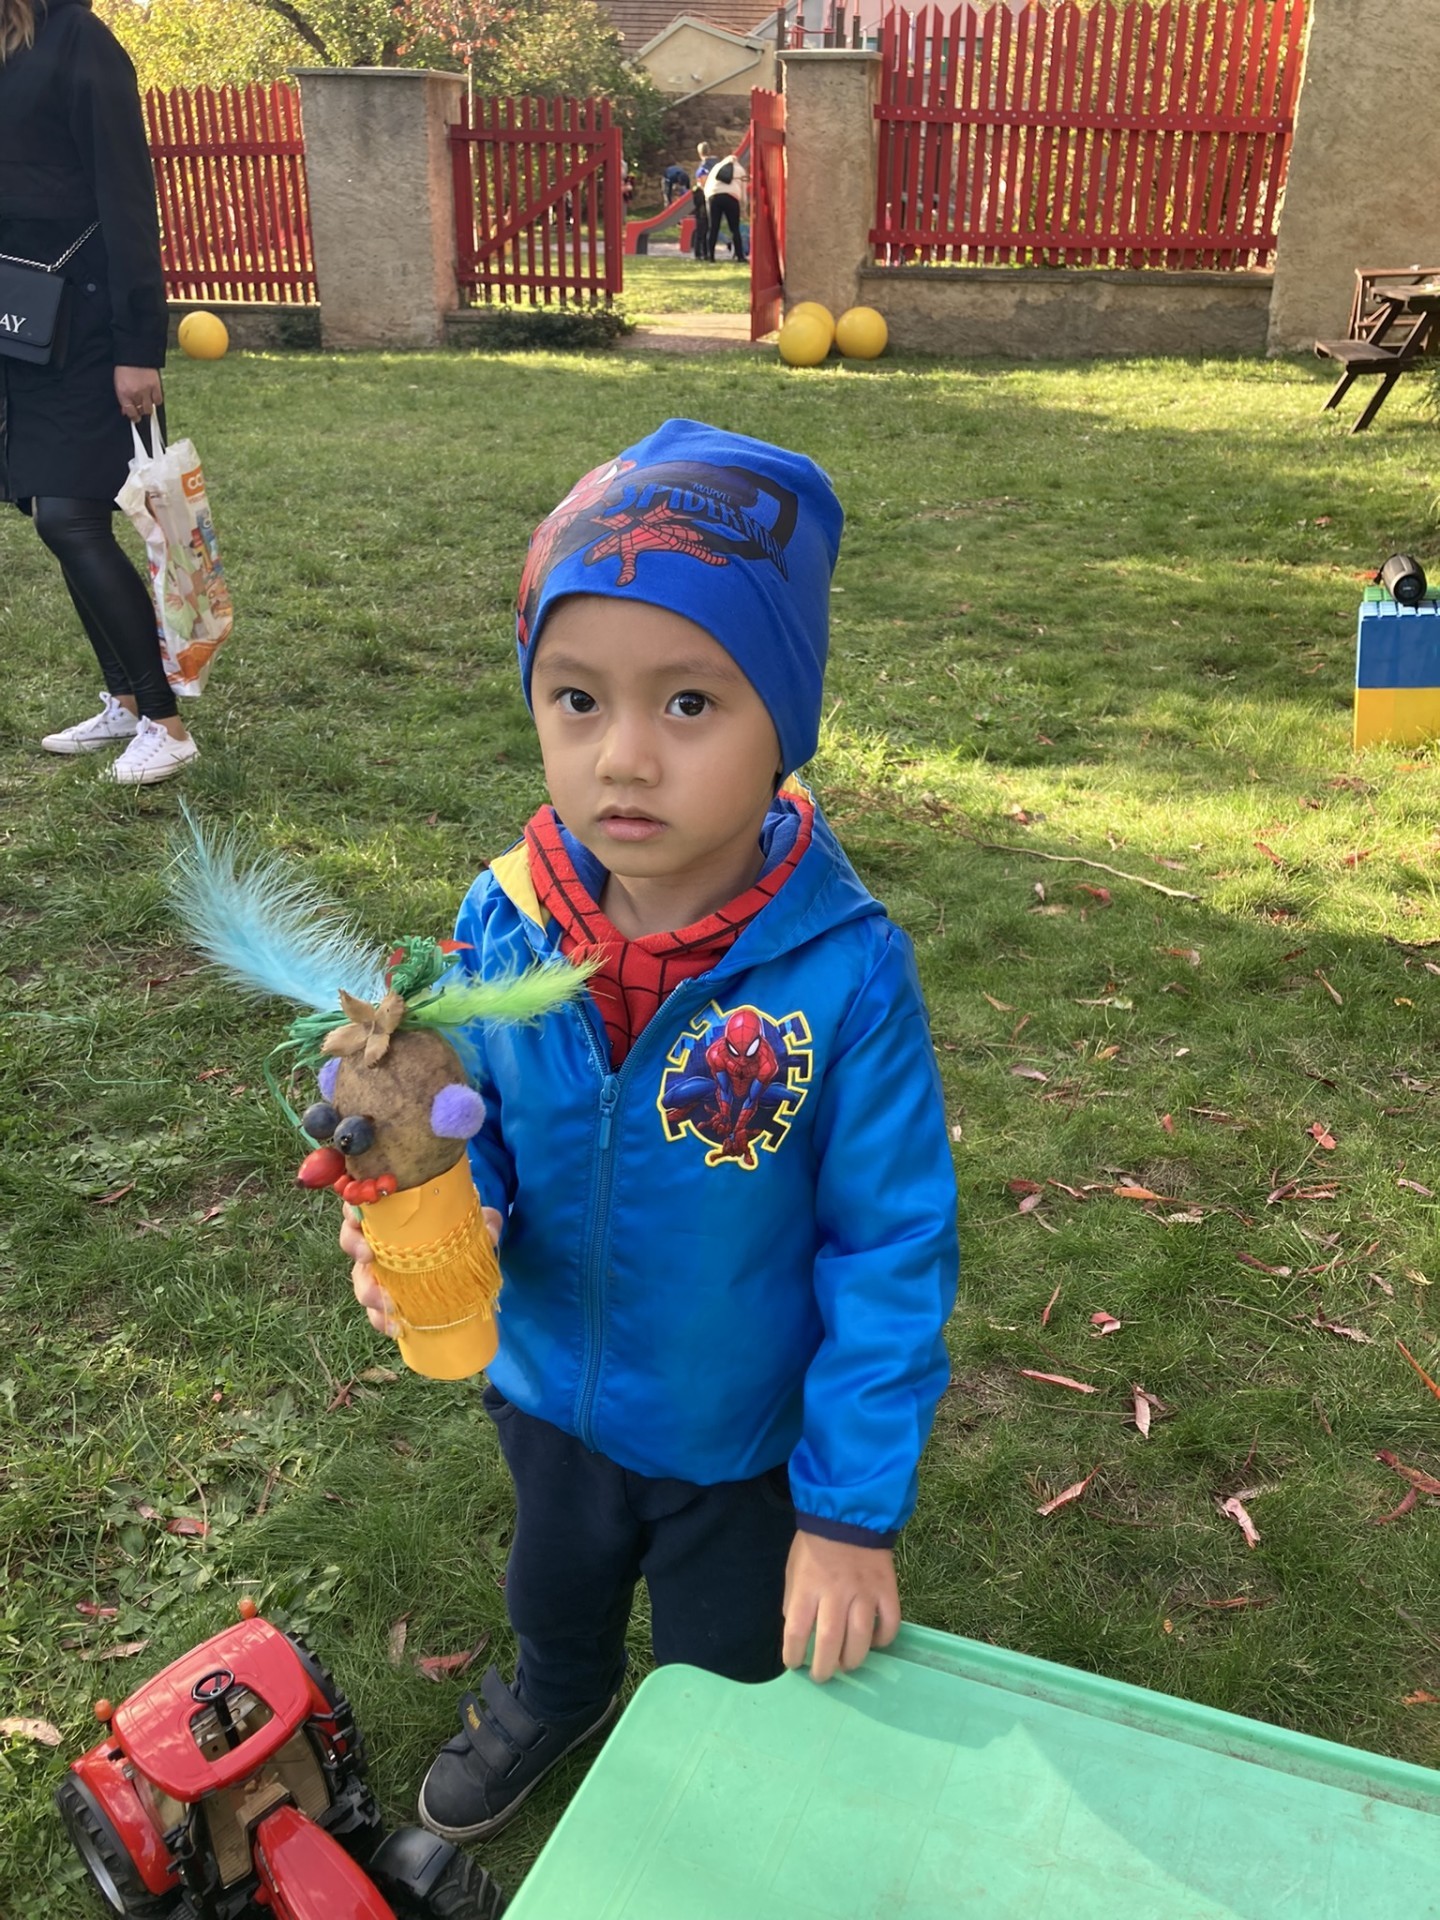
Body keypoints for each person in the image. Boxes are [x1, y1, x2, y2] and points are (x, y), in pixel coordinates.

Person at [345, 418, 960, 1844]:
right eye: (576, 698)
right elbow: (474, 1118)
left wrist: (848, 1515)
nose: (623, 757)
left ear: (782, 723)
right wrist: (457, 1206)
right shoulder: (506, 918)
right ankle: (556, 1692)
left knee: (725, 1653)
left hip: (737, 1432)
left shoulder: (846, 976)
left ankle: (706, 1769)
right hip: (547, 1389)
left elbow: (891, 1249)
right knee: (552, 1583)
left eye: (689, 703)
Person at [0, 0, 198, 784]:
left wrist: (136, 347)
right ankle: (124, 698)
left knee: (71, 514)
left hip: (87, 321)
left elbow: (127, 199)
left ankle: (166, 724)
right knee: (48, 511)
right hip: (22, 320)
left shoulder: (79, 41)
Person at [704, 151, 747, 263]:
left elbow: (707, 185)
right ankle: (740, 256)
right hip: (731, 198)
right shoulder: (740, 170)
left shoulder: (716, 167)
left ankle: (710, 256)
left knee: (713, 227)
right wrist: (743, 207)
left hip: (714, 196)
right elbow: (743, 190)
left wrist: (707, 199)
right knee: (734, 228)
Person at [690, 142, 713, 261]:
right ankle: (704, 252)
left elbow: (702, 181)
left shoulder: (703, 166)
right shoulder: (714, 164)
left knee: (701, 225)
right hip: (709, 196)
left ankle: (700, 252)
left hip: (702, 195)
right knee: (706, 225)